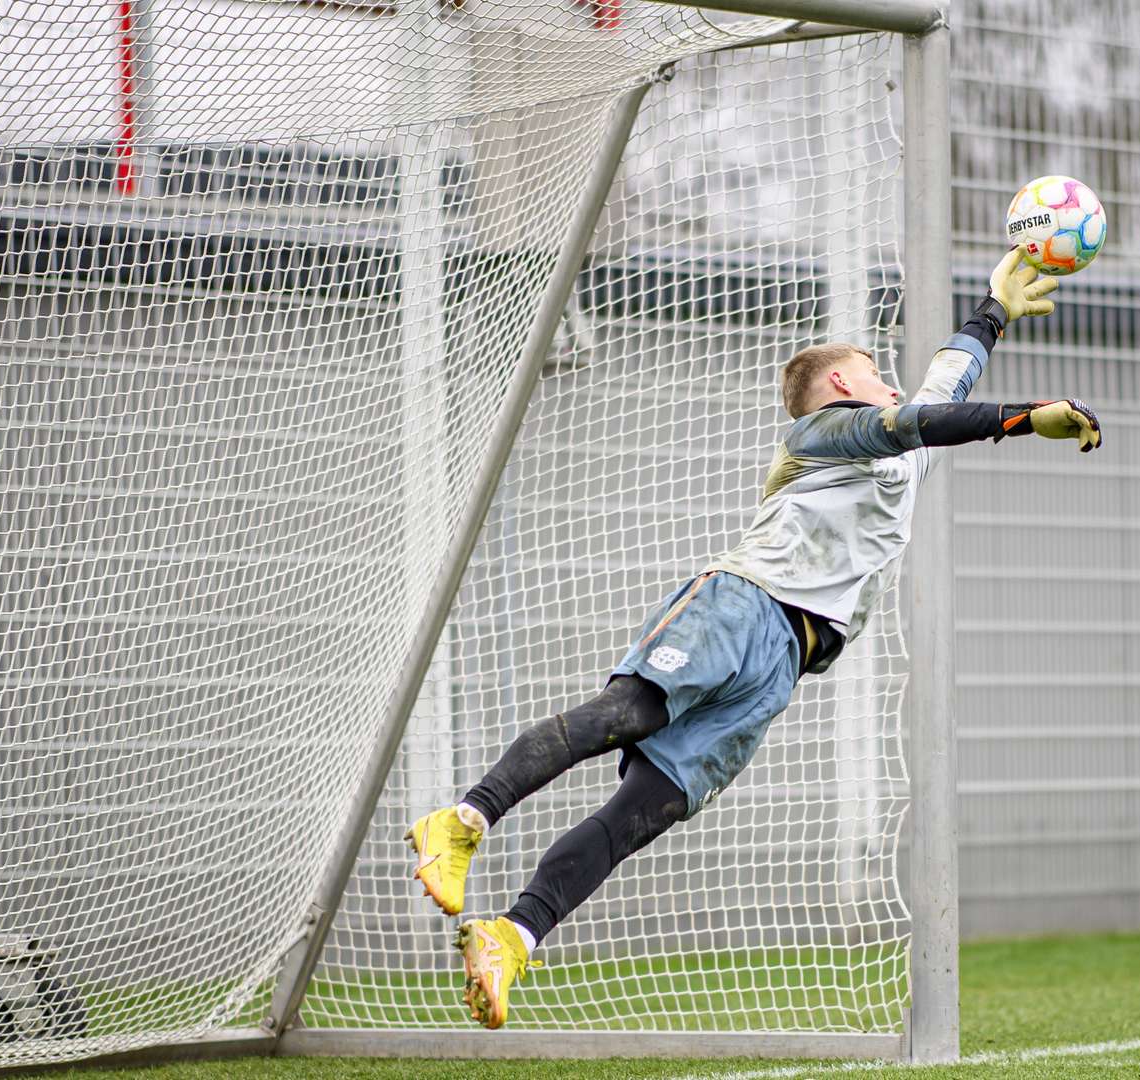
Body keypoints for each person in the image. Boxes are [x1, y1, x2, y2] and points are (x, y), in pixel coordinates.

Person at [406, 252, 1103, 1029]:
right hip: (742, 603)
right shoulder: (826, 431)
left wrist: (994, 311)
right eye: (874, 370)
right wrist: (1026, 417)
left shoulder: (902, 458)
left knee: (650, 806)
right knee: (627, 713)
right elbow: (922, 416)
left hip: (786, 665)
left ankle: (511, 937)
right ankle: (464, 819)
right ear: (841, 385)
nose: (891, 382)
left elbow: (945, 385)